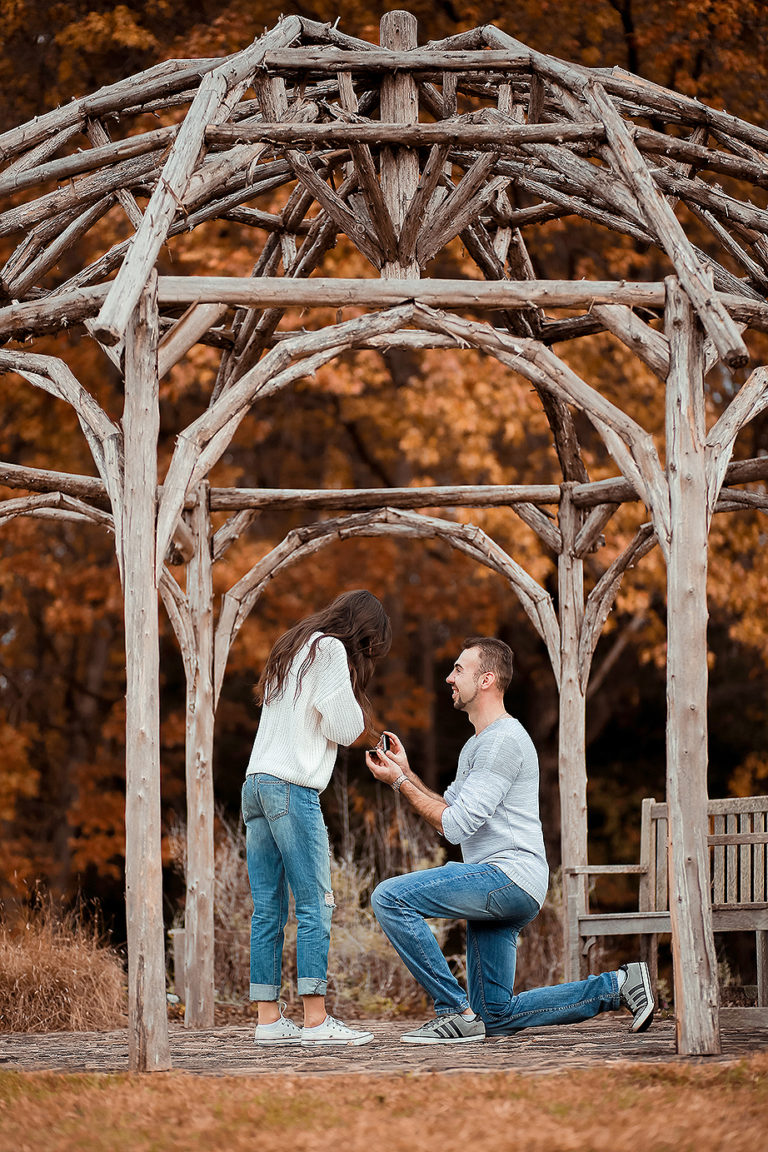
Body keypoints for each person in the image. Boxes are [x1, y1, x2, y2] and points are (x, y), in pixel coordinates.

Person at [366, 636, 654, 1044]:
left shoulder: (502, 742)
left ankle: (452, 1011)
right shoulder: (477, 746)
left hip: (507, 876)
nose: (449, 678)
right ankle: (620, 984)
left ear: (486, 680)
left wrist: (398, 783)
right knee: (495, 1016)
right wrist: (406, 774)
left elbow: (455, 826)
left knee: (389, 897)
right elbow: (446, 810)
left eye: (459, 670)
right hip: (507, 883)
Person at [243, 589, 391, 1047]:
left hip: (256, 784)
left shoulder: (293, 646)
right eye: (370, 647)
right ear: (363, 634)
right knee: (316, 903)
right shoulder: (329, 649)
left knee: (268, 907)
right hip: (292, 786)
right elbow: (345, 728)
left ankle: (268, 1020)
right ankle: (315, 1020)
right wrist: (365, 722)